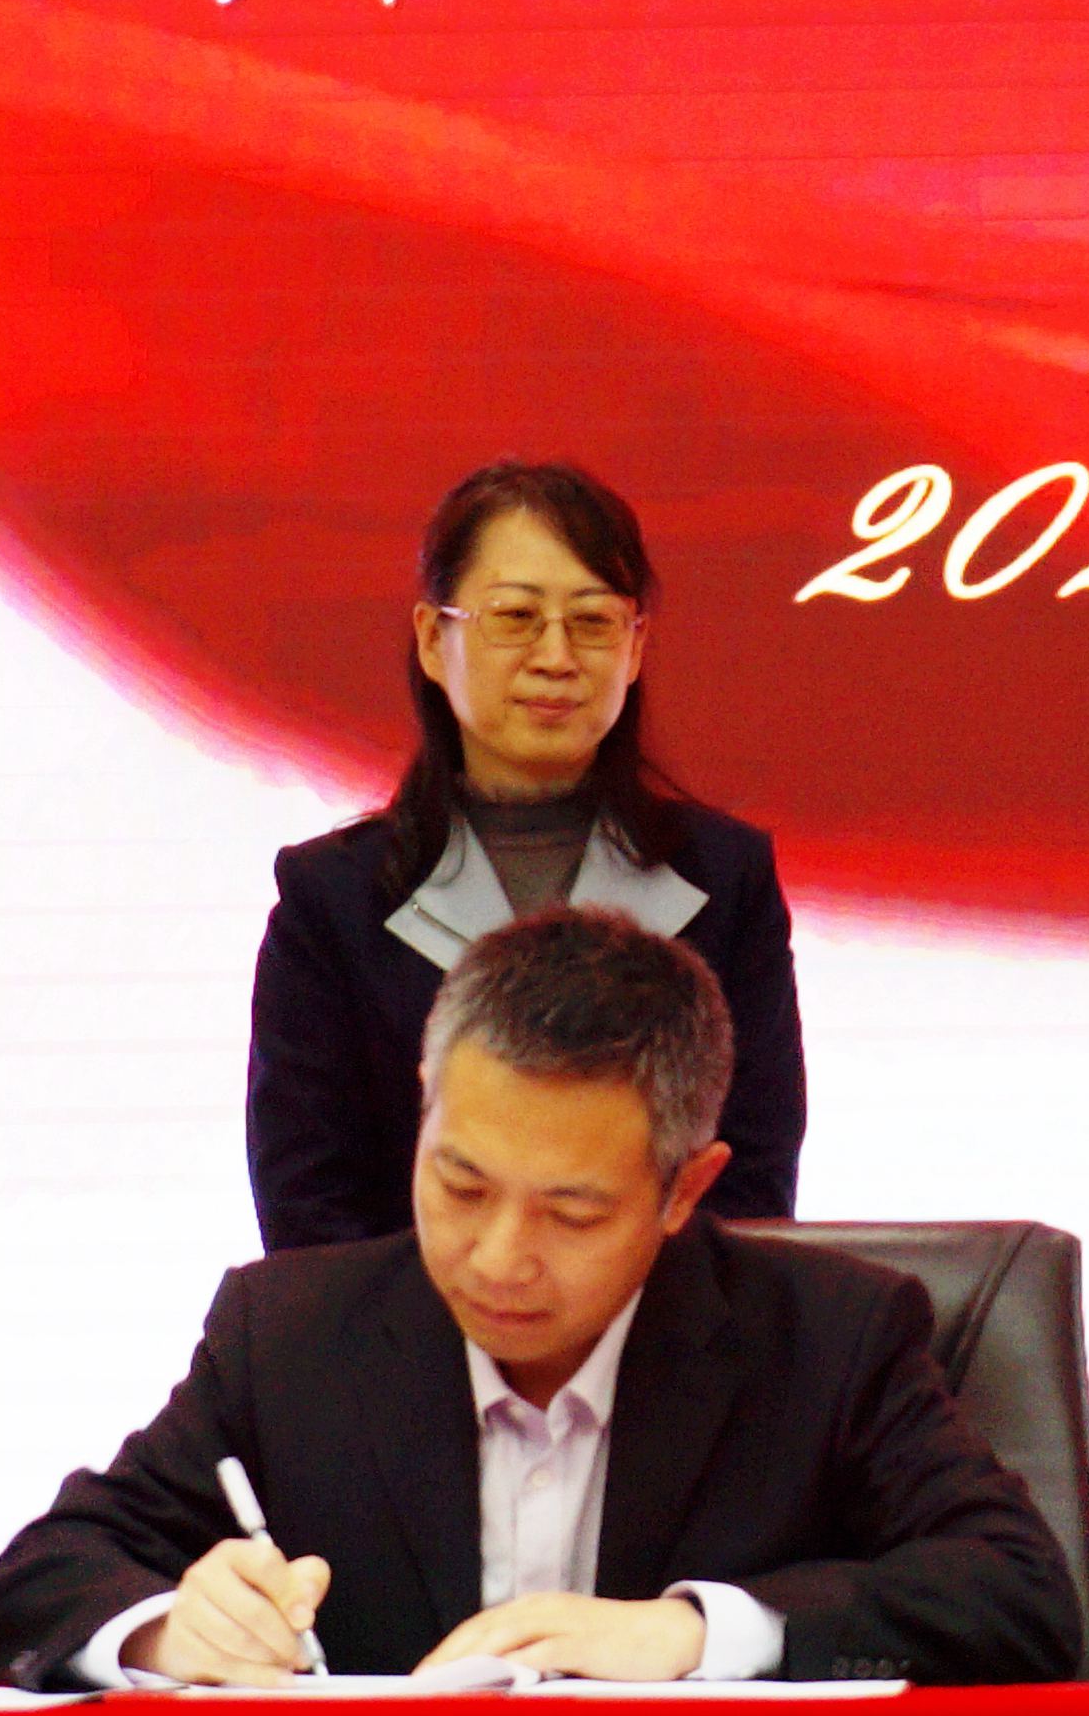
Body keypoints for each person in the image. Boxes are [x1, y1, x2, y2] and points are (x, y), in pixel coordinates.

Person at [0, 904, 1079, 1689]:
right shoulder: (291, 1335)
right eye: (460, 1185)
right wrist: (169, 1629)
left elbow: (1022, 1597)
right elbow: (37, 1580)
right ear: (424, 1108)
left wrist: (696, 1636)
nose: (499, 1257)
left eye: (572, 1212)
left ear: (686, 1189)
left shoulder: (825, 1339)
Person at [246, 460, 806, 1256]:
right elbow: (310, 1213)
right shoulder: (332, 900)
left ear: (635, 647)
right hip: (407, 1330)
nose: (555, 656)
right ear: (432, 640)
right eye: (514, 616)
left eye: (592, 621)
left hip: (663, 1330)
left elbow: (749, 1189)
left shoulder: (724, 880)